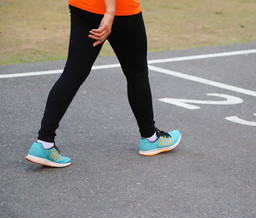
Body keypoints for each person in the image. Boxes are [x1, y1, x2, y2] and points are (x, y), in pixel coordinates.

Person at [25, 0, 181, 168]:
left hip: (82, 5)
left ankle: (44, 142)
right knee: (137, 74)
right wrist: (110, 12)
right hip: (119, 9)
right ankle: (151, 138)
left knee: (73, 73)